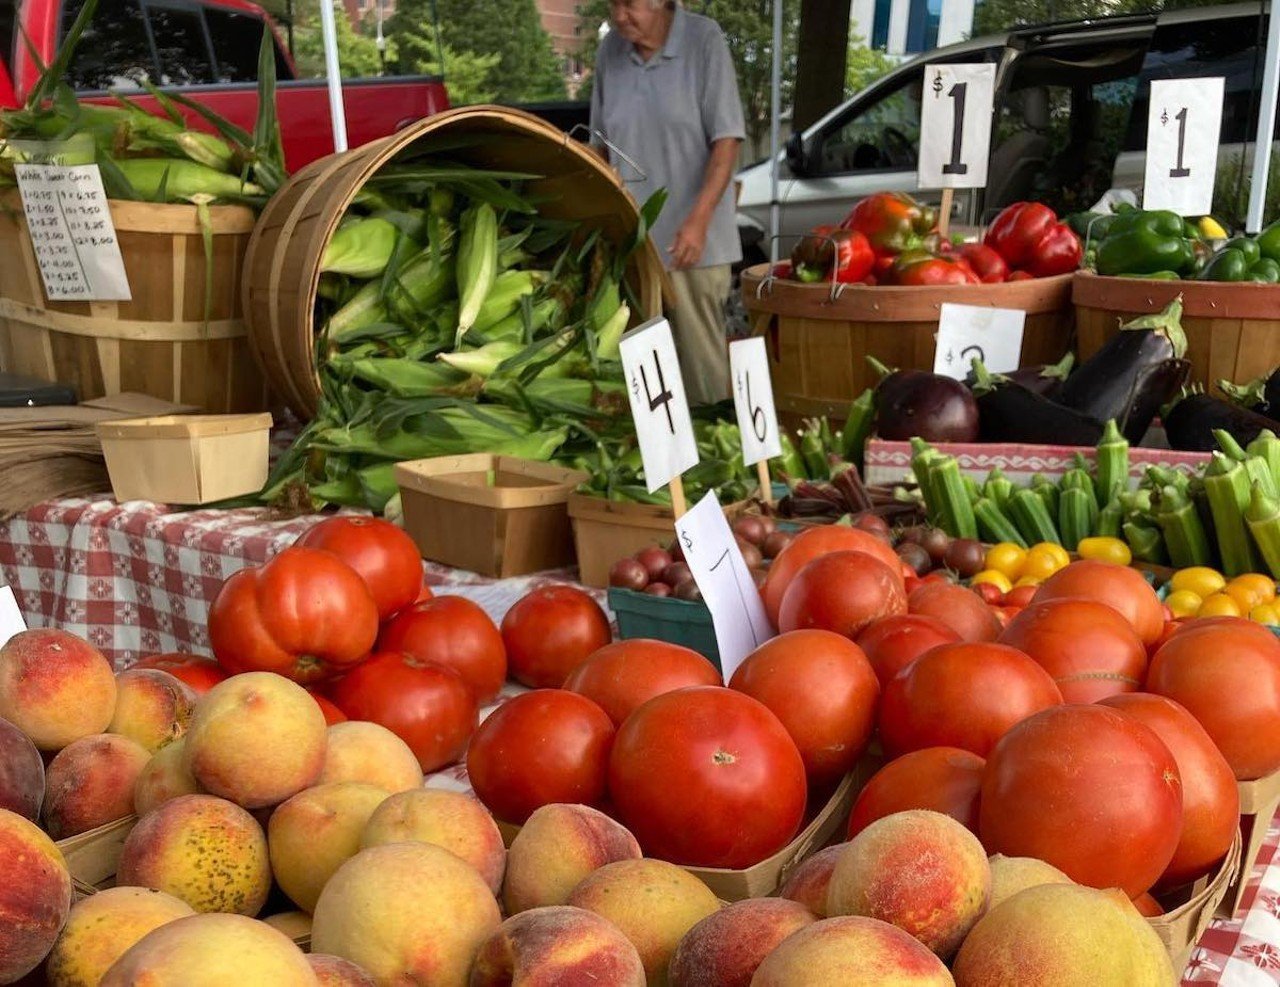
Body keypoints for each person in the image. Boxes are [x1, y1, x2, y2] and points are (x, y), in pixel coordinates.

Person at [589, 0, 745, 406]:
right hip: (632, 244)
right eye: (613, 4)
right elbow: (599, 148)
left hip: (693, 245)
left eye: (630, 4)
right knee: (644, 380)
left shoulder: (703, 40)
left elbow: (727, 140)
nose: (620, 15)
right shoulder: (610, 52)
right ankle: (657, 469)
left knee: (701, 378)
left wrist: (698, 220)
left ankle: (712, 461)